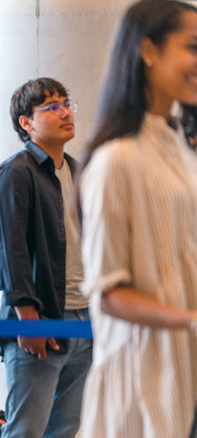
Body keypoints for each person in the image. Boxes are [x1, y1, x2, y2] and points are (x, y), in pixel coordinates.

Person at [78, 1, 197, 436]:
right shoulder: (116, 159)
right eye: (192, 47)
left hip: (182, 370)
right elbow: (108, 292)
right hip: (139, 377)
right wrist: (189, 319)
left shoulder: (179, 150)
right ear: (148, 50)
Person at [0, 78, 91, 438]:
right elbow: (10, 249)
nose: (65, 112)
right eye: (51, 107)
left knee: (65, 428)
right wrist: (26, 316)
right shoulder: (15, 173)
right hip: (40, 319)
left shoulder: (79, 172)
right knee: (26, 430)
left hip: (84, 318)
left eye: (66, 103)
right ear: (26, 123)